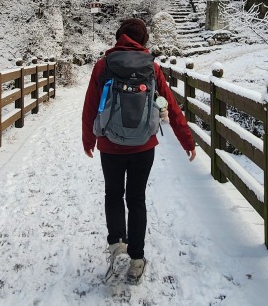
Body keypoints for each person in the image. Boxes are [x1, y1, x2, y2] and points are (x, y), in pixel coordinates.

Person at [82, 18, 197, 285]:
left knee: (113, 194)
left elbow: (90, 107)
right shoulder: (152, 67)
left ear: (119, 37)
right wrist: (187, 141)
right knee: (136, 199)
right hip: (143, 145)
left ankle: (117, 247)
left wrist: (89, 140)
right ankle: (136, 260)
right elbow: (170, 105)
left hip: (110, 145)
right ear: (143, 40)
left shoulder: (103, 65)